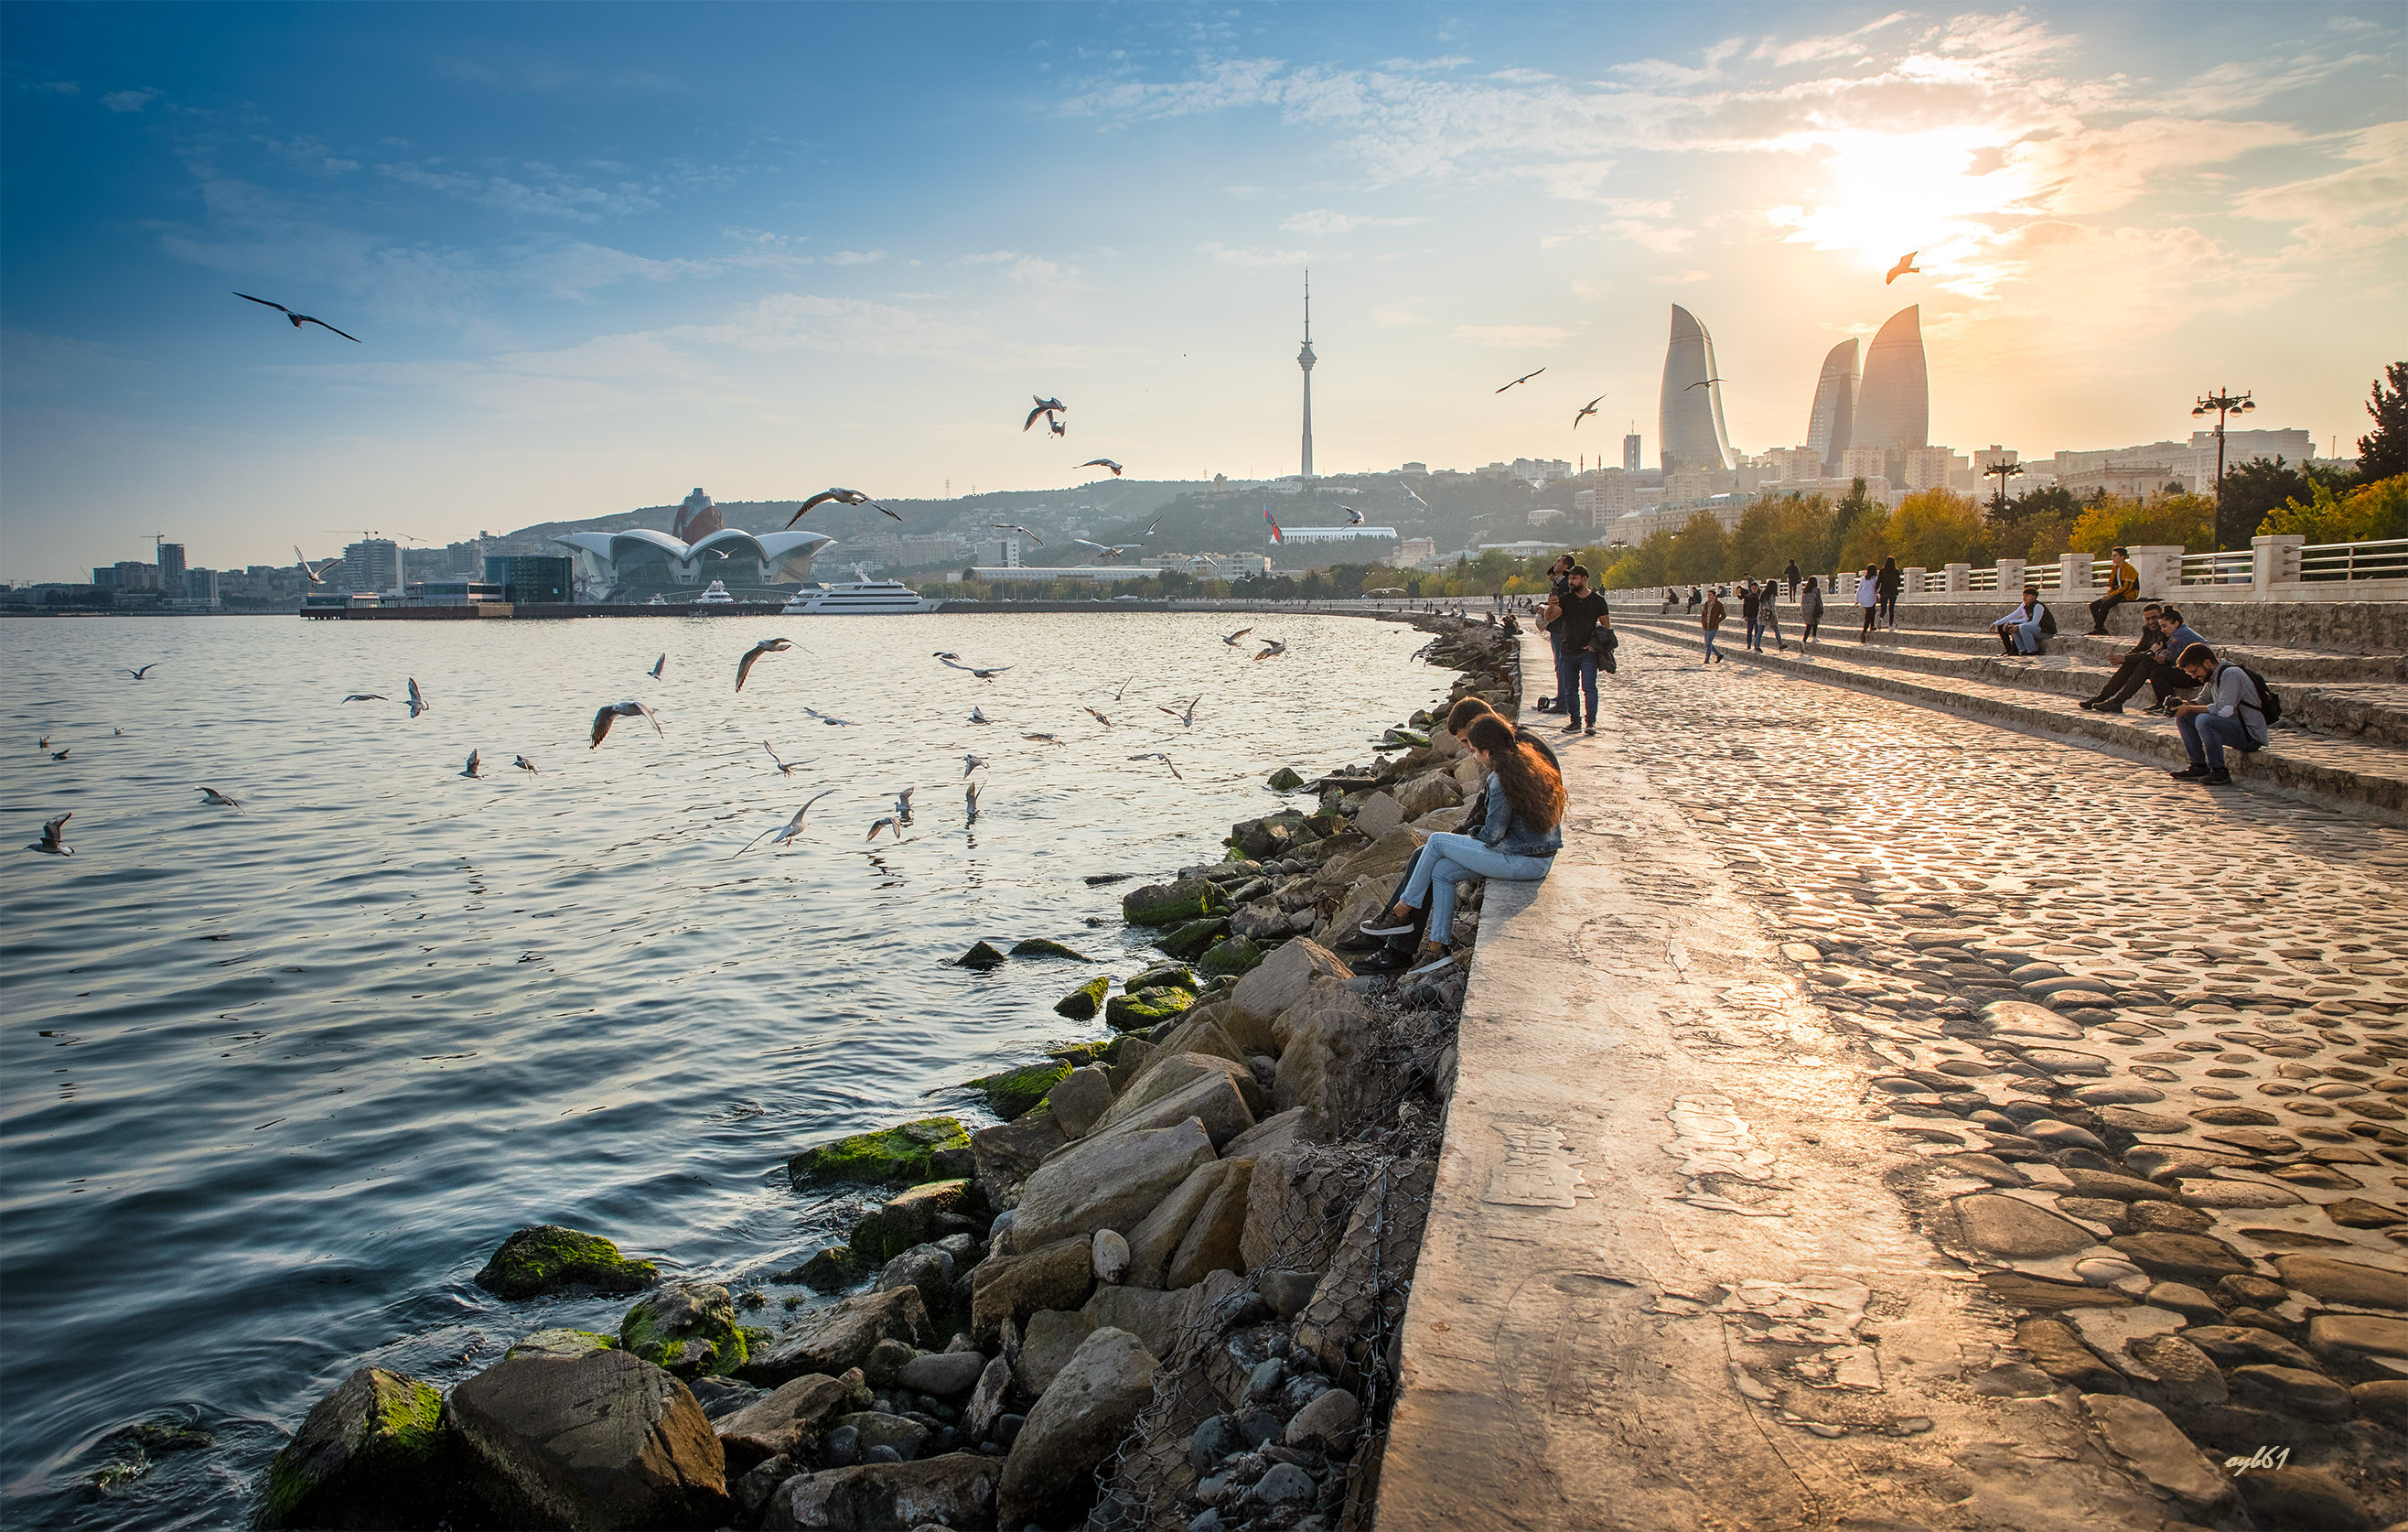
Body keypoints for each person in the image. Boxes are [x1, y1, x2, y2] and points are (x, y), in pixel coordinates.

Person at [1349, 698, 1559, 972]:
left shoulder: (1502, 774)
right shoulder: (1518, 757)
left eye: (1472, 750)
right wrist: (1460, 839)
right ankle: (1438, 949)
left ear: (1486, 747)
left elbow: (1492, 833)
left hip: (1524, 857)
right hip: (1531, 852)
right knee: (1442, 871)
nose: (1471, 755)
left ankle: (1401, 912)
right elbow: (1489, 815)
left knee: (1435, 843)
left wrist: (1459, 839)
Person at [2169, 643, 2269, 786]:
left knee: (2204, 720)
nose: (2193, 677)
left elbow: (2225, 710)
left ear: (2207, 663)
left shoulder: (2230, 674)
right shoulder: (2212, 677)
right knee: (2184, 717)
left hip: (2250, 735)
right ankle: (2199, 766)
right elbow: (2201, 701)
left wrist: (2190, 708)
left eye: (2194, 671)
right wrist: (2182, 705)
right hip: (2234, 727)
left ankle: (2219, 771)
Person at [1551, 565, 1610, 735]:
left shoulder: (1598, 601)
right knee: (1570, 689)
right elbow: (1549, 618)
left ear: (1584, 579)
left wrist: (1594, 645)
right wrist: (1551, 606)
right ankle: (1574, 721)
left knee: (1589, 687)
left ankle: (1590, 722)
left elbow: (1606, 627)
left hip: (1587, 653)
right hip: (1567, 651)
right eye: (1569, 579)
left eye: (1574, 578)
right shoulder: (1566, 599)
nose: (1571, 582)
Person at [2078, 603, 2167, 712]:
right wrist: (2124, 657)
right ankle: (2102, 697)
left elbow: (2153, 653)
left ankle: (2118, 702)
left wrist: (2126, 658)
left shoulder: (2165, 629)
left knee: (2143, 665)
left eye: (2154, 618)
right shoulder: (2147, 629)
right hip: (2153, 659)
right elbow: (2140, 648)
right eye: (2147, 619)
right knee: (2130, 662)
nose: (2151, 622)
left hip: (2165, 663)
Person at [2136, 607, 2209, 715]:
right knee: (2155, 669)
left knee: (2158, 673)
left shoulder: (2179, 635)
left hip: (2197, 674)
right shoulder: (2181, 631)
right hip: (2193, 671)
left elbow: (2169, 656)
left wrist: (2158, 650)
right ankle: (2161, 702)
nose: (2162, 630)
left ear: (2176, 623)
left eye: (2165, 626)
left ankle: (2171, 704)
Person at [1537, 555, 1575, 715]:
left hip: (1561, 630)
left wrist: (1546, 611)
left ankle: (1563, 702)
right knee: (1558, 665)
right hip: (1556, 630)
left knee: (1562, 666)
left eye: (1559, 561)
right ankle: (1561, 697)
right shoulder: (1558, 583)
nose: (1555, 563)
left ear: (1565, 566)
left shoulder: (1566, 585)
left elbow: (1561, 609)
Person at [2088, 548, 2140, 635]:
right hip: (2118, 593)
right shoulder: (2115, 568)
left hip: (2128, 594)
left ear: (2122, 557)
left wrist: (2111, 595)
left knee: (2105, 604)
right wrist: (2108, 594)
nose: (2113, 557)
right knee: (2093, 606)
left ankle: (2097, 628)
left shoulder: (2129, 569)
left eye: (2115, 555)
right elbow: (2113, 586)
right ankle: (2101, 628)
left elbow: (2126, 588)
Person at [1990, 585, 2051, 654]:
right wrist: (1996, 623)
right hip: (2033, 627)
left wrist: (2017, 626)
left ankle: (2032, 651)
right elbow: (2013, 615)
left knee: (2022, 628)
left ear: (2033, 597)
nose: (2024, 598)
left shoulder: (2038, 606)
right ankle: (2020, 651)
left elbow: (2034, 622)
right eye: (2024, 595)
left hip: (2044, 630)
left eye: (2027, 595)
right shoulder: (2026, 606)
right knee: (2012, 628)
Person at [1700, 584, 1727, 664]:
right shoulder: (1706, 604)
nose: (1709, 596)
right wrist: (1703, 621)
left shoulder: (1718, 605)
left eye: (1710, 595)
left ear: (1714, 596)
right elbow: (1704, 614)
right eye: (1708, 595)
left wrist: (1716, 621)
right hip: (1706, 625)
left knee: (1708, 643)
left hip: (1713, 626)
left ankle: (1707, 660)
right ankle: (1718, 655)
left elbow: (1724, 615)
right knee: (1708, 643)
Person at [1758, 578, 1787, 652]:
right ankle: (1780, 644)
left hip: (1762, 614)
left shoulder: (1763, 594)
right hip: (1769, 615)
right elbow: (1772, 607)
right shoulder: (1771, 596)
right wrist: (1775, 617)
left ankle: (1757, 646)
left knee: (1760, 631)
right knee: (1776, 629)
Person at [1854, 565, 1879, 642]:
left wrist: (1857, 600)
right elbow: (1878, 589)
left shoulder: (1863, 579)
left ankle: (1872, 625)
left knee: (1872, 611)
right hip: (1871, 598)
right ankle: (1864, 631)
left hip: (1863, 598)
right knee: (1869, 614)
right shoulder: (1875, 579)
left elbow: (1859, 589)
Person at [1798, 574, 1824, 646]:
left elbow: (1802, 601)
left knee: (1809, 624)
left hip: (1805, 610)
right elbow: (1818, 600)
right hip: (1813, 609)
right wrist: (1821, 608)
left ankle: (1812, 638)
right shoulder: (1817, 590)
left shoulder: (1805, 590)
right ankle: (1805, 640)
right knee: (1813, 623)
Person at [1876, 556, 1902, 630]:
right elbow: (1899, 582)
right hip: (1893, 592)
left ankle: (1881, 618)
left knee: (1883, 608)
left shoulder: (1882, 571)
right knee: (1891, 609)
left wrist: (1876, 590)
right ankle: (1890, 625)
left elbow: (1879, 581)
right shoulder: (1896, 571)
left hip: (1884, 592)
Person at [1740, 578, 1764, 652]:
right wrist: (1745, 615)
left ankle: (1756, 644)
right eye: (1753, 588)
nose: (1754, 589)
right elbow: (1745, 607)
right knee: (1749, 631)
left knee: (1757, 631)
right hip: (1750, 616)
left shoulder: (1760, 597)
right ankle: (1749, 643)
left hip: (1757, 616)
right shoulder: (1747, 597)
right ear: (1751, 588)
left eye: (1756, 588)